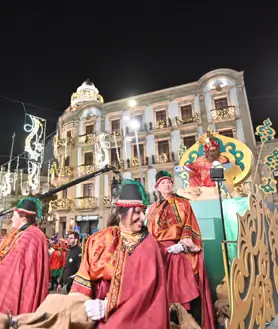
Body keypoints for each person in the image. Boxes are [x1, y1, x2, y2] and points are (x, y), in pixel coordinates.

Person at [70, 180, 170, 328]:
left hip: (134, 316)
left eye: (144, 212)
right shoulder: (99, 239)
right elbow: (84, 275)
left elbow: (146, 286)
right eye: (137, 212)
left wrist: (107, 304)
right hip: (94, 313)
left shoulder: (149, 243)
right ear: (121, 213)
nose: (143, 217)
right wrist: (80, 302)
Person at [148, 171, 214, 329]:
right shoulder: (152, 208)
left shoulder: (183, 203)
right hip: (158, 253)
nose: (167, 184)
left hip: (178, 250)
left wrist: (183, 245)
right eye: (163, 183)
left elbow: (189, 224)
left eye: (169, 182)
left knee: (185, 287)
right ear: (157, 187)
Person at [0, 197, 49, 315]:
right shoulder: (25, 233)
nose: (11, 218)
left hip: (21, 287)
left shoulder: (31, 235)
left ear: (23, 218)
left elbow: (13, 265)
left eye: (14, 216)